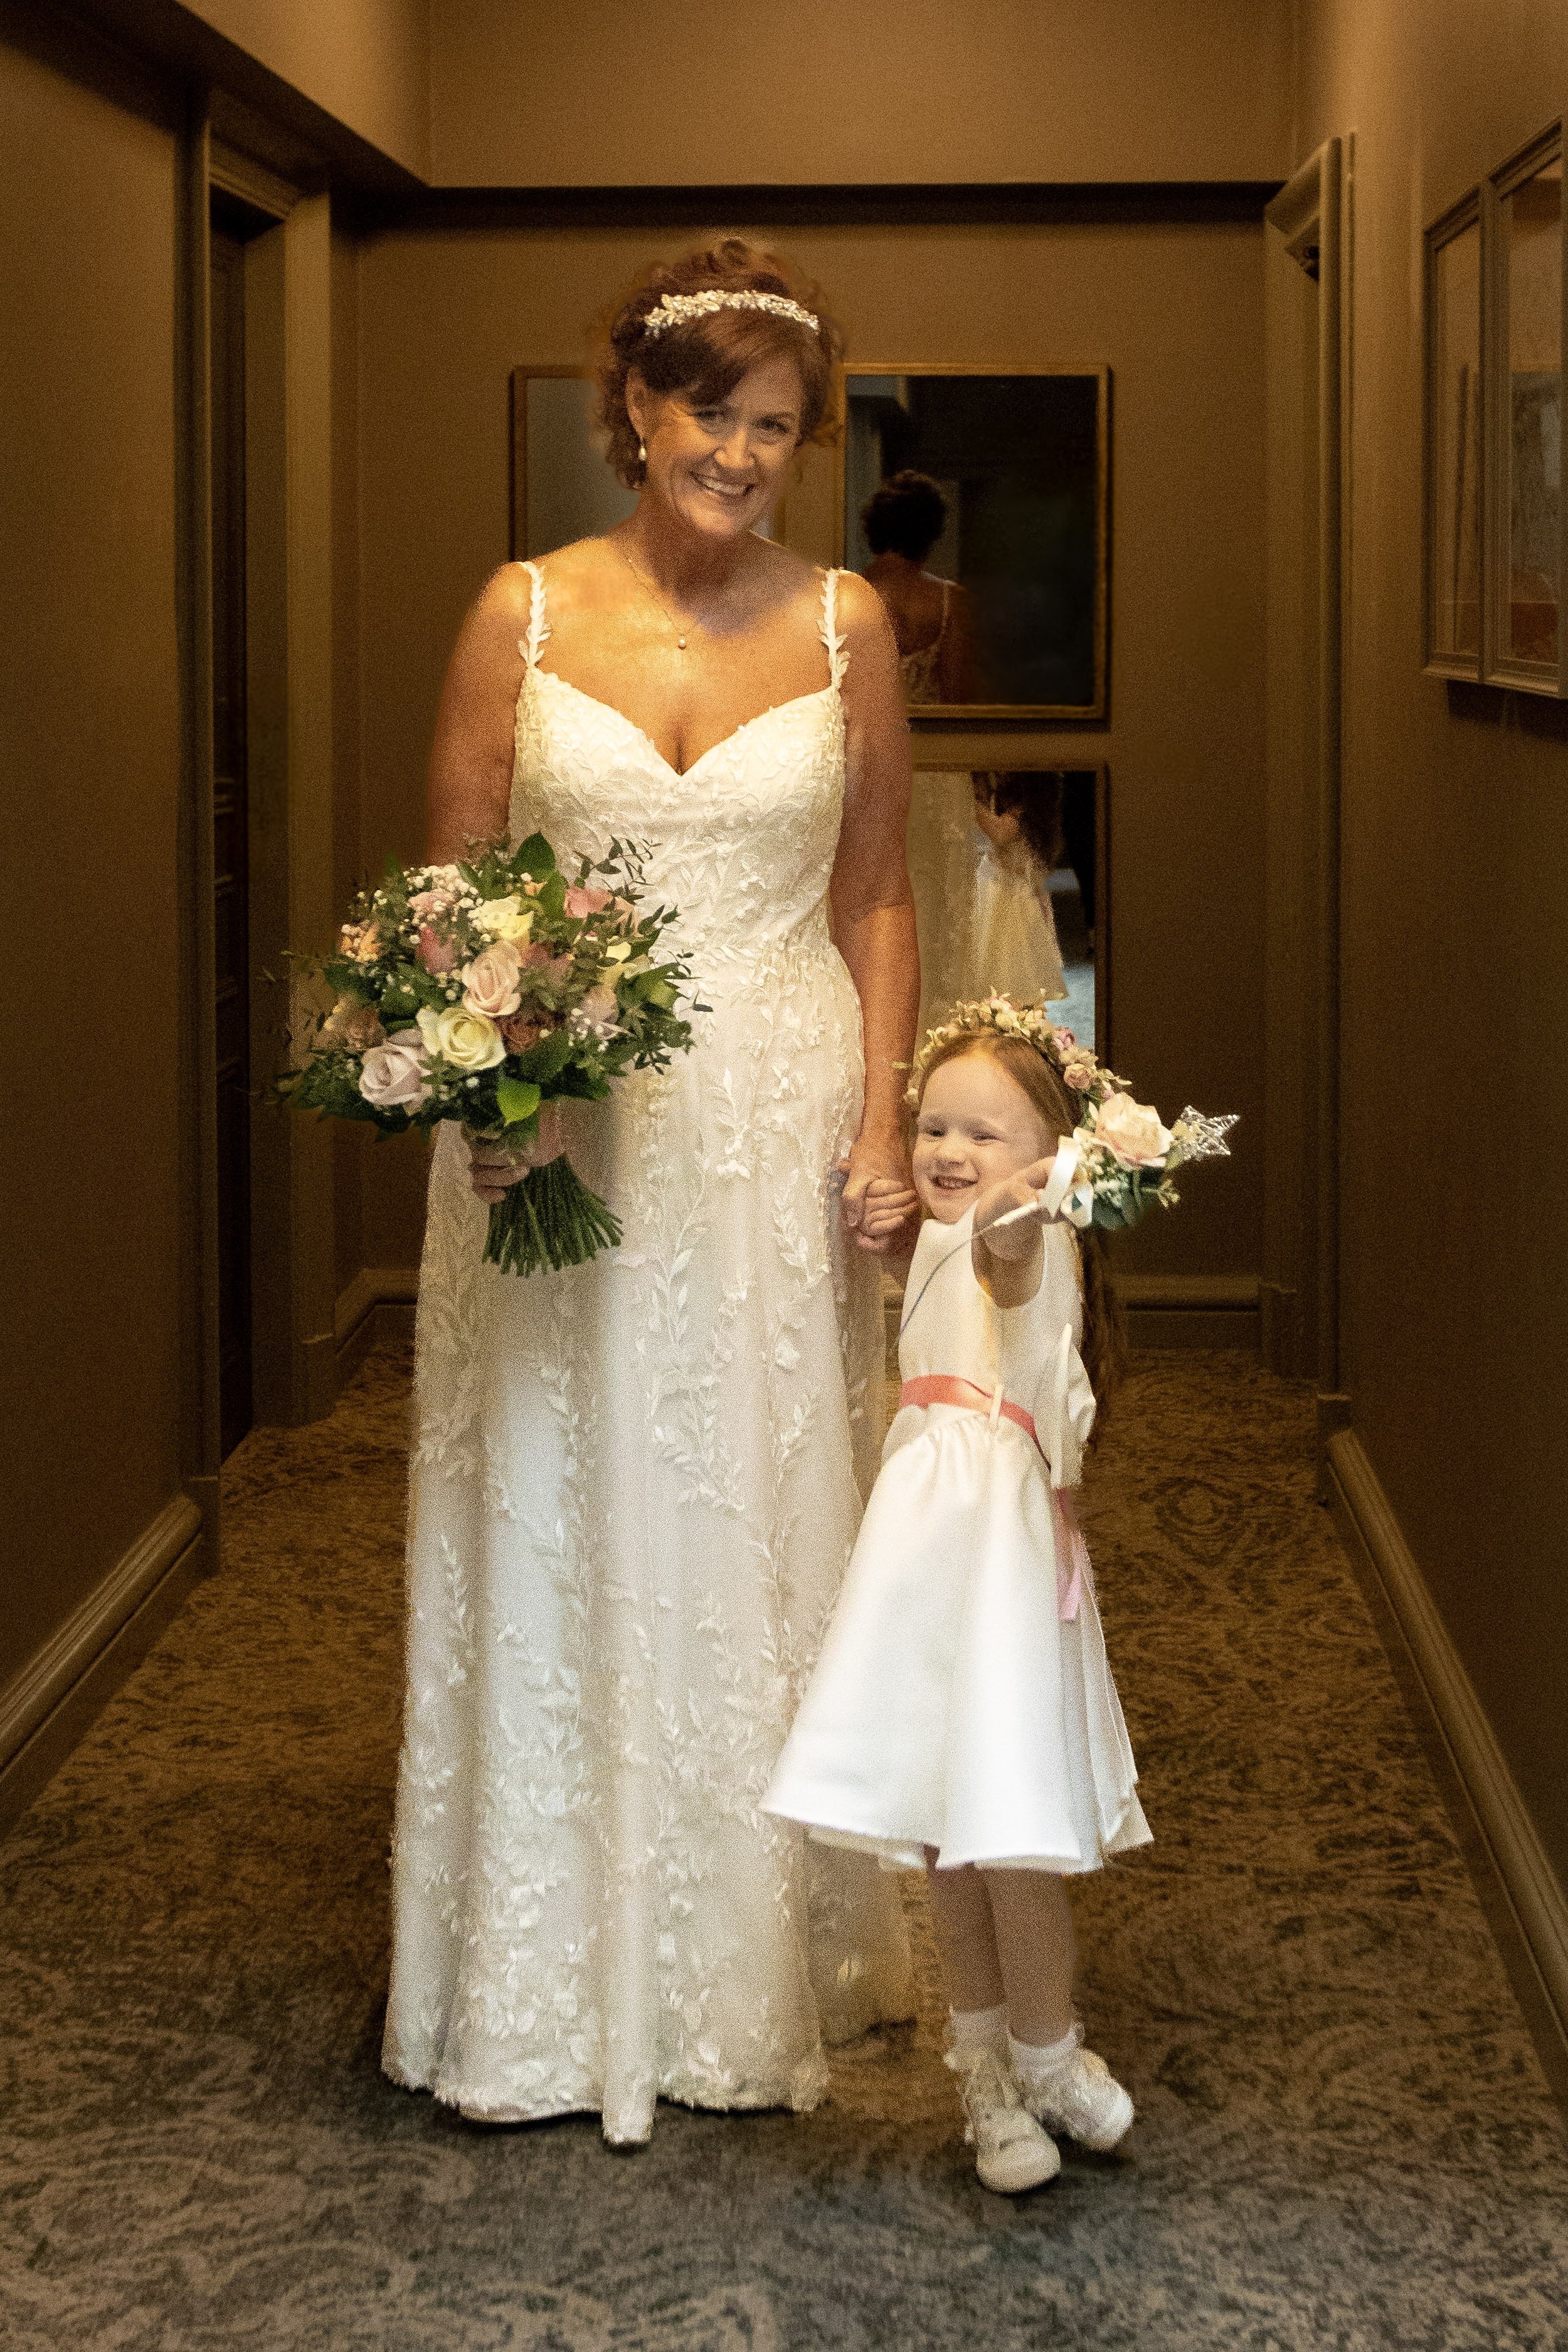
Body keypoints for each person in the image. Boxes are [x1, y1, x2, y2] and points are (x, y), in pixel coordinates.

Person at [382, 241, 922, 2148]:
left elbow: (876, 892)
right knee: (560, 1491)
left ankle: (745, 1965)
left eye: (775, 427)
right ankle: (543, 1971)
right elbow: (450, 892)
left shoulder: (847, 622)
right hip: (565, 1129)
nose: (740, 456)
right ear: (633, 405)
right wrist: (484, 1084)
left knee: (754, 1502)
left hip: (774, 1118)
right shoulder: (520, 612)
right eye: (711, 414)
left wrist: (880, 1128)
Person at [765, 1002, 1149, 2192]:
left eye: (984, 1133)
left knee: (1012, 1828)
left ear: (1048, 1154)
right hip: (924, 1558)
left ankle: (1048, 2051)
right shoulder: (943, 1235)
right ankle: (983, 2068)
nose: (946, 1150)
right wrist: (910, 1210)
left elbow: (1001, 1247)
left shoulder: (1026, 1239)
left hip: (1000, 1566)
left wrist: (1031, 1193)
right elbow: (939, 1247)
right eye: (934, 1126)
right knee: (946, 1829)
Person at [859, 472, 980, 1039]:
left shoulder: (847, 595)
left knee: (870, 897)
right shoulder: (949, 601)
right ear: (931, 532)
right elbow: (959, 700)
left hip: (865, 770)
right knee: (937, 904)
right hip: (936, 772)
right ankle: (938, 1034)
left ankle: (877, 1027)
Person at [972, 771, 1068, 1007]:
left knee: (1016, 958)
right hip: (999, 884)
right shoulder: (1023, 808)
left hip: (1010, 890)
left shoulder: (1023, 809)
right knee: (999, 955)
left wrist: (971, 801)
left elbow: (1000, 833)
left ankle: (1018, 1011)